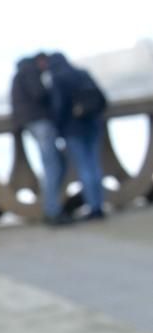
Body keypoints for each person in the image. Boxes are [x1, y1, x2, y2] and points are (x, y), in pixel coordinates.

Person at [10, 54, 69, 225]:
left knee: (54, 164)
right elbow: (38, 94)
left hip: (32, 123)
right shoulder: (30, 72)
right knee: (53, 166)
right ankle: (53, 210)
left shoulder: (21, 73)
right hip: (39, 122)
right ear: (40, 61)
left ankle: (53, 208)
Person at [49, 52, 107, 220]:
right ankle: (99, 206)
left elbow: (59, 107)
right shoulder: (82, 73)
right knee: (94, 165)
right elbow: (101, 98)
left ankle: (93, 207)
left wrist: (59, 130)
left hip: (73, 129)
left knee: (84, 168)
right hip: (92, 124)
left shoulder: (58, 79)